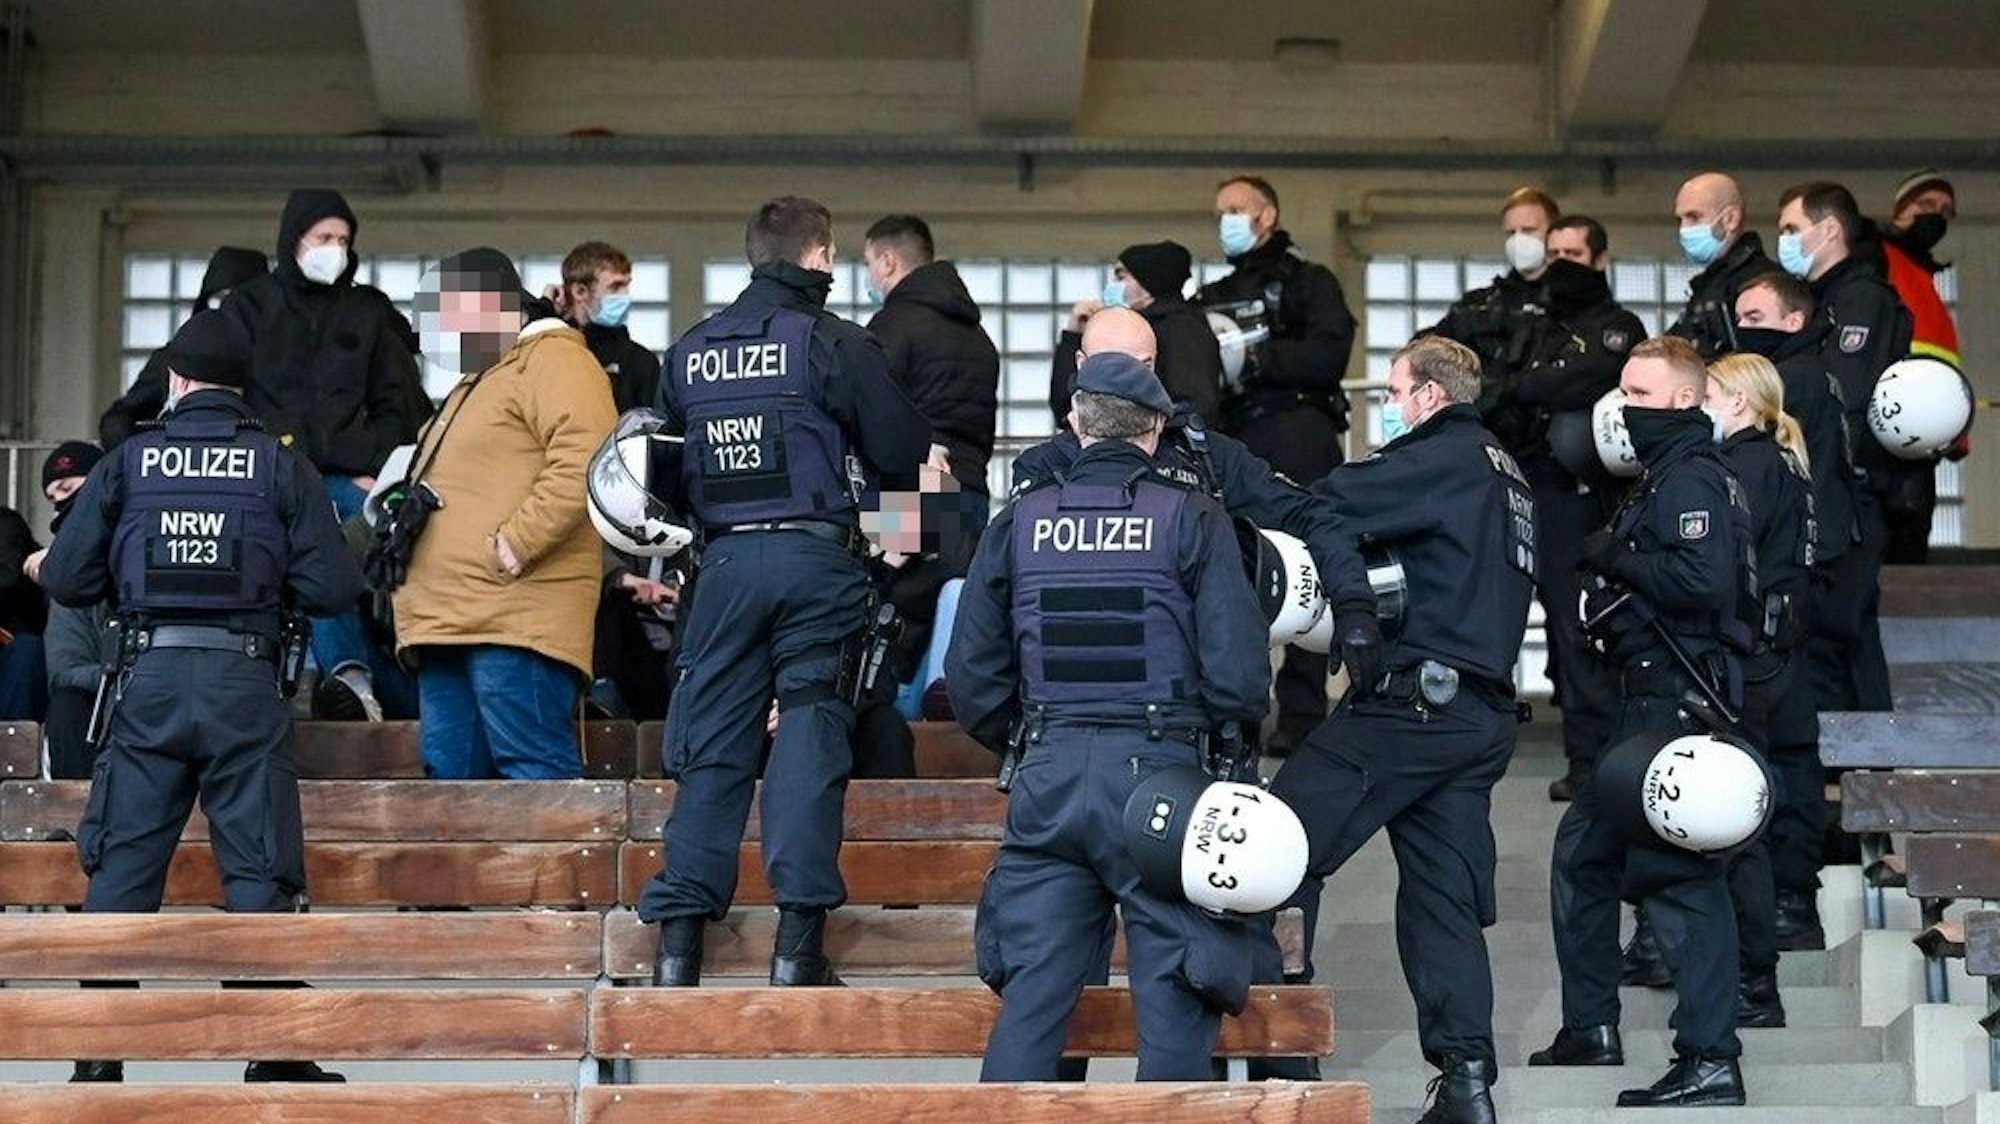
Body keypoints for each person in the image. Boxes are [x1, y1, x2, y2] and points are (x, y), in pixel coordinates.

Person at [35, 309, 361, 1084]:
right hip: (244, 684)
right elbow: (333, 587)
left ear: (177, 381)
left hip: (146, 681)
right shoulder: (280, 465)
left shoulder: (128, 462)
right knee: (259, 871)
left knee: (122, 870)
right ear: (242, 387)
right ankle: (273, 1055)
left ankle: (97, 1059)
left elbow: (69, 577)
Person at [946, 351, 1270, 1081]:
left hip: (1048, 776)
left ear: (1075, 422)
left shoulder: (1019, 520)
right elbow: (1240, 678)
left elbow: (970, 675)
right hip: (1162, 782)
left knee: (1032, 1000)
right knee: (1176, 994)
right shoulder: (1193, 516)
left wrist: (1028, 737)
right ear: (1155, 429)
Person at [637, 197, 929, 989]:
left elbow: (659, 472)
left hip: (724, 568)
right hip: (816, 565)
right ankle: (797, 948)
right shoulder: (834, 342)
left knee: (711, 747)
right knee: (808, 737)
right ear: (820, 256)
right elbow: (904, 448)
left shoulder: (689, 352)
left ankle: (677, 951)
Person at [1266, 336, 1534, 1123]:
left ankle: (1283, 1053)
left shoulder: (1439, 457)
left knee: (1275, 844)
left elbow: (1324, 501)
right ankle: (1465, 1082)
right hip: (1477, 713)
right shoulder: (1509, 474)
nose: (1388, 408)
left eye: (1393, 392)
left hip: (1412, 707)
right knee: (1441, 903)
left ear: (1429, 396)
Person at [1535, 336, 1754, 1108]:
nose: (1625, 408)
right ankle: (1591, 1026)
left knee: (1678, 876)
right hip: (1643, 701)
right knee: (1582, 855)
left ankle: (1711, 1058)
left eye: (1641, 395)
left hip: (1676, 703)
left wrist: (1614, 559)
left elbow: (1702, 580)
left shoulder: (1691, 475)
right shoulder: (1662, 475)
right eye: (1623, 392)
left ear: (1685, 401)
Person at [1013, 307, 1381, 696]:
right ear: (1081, 364)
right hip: (1066, 699)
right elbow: (1001, 604)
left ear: (1155, 365)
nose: (1126, 381)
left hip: (1190, 702)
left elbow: (1308, 514)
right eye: (1112, 364)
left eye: (1141, 366)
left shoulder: (1203, 455)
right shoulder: (1043, 469)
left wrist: (1354, 605)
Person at [391, 248, 617, 780]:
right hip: (448, 620)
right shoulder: (482, 378)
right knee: (453, 789)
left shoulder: (555, 359)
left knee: (534, 774)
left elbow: (586, 456)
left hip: (514, 615)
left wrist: (518, 541)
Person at [220, 189, 428, 723]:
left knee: (377, 547)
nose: (334, 248)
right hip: (265, 480)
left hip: (350, 480)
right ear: (294, 239)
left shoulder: (368, 312)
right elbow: (225, 395)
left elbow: (398, 401)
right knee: (317, 547)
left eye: (343, 238)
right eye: (323, 237)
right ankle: (350, 680)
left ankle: (356, 682)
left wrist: (380, 474)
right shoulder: (249, 308)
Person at [1198, 175, 1359, 754]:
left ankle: (1302, 712)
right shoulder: (1210, 295)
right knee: (1230, 568)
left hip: (1298, 428)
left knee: (1307, 562)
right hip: (1231, 434)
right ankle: (1239, 706)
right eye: (1220, 210)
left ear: (1266, 215)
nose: (1226, 220)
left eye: (1236, 208)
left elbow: (1330, 353)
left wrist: (1258, 356)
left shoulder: (1309, 282)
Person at [1491, 215, 1646, 802]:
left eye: (1573, 255)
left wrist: (1518, 388)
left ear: (1600, 261)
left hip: (1583, 502)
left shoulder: (1618, 328)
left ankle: (1596, 762)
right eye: (1553, 254)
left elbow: (1574, 381)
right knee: (1518, 624)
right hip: (1525, 490)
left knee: (1582, 630)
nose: (1560, 265)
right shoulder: (1536, 329)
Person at [1730, 272, 1856, 952]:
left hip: (1767, 641)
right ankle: (1789, 904)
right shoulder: (1789, 457)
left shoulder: (1758, 463)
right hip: (1789, 632)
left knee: (1773, 767)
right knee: (1793, 763)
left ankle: (1779, 907)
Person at [859, 213, 1001, 774]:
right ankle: (943, 756)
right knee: (946, 616)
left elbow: (872, 414)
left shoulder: (895, 325)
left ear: (888, 260)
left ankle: (893, 764)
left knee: (889, 618)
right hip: (968, 492)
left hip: (914, 488)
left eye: (869, 264)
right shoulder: (977, 336)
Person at [1705, 351, 1818, 1028]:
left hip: (1751, 658)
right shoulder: (1788, 464)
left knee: (1738, 818)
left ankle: (1752, 979)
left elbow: (1721, 563)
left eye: (1708, 396)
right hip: (1783, 655)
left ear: (1738, 403)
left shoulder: (1746, 467)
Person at [1779, 181, 1912, 713]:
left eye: (1792, 228)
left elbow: (1846, 395)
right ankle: (1861, 751)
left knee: (1838, 628)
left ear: (1829, 229)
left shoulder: (1862, 299)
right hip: (1825, 489)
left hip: (1852, 492)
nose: (1784, 239)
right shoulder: (1820, 301)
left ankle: (1860, 752)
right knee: (1837, 633)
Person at [99, 246, 270, 450]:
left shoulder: (282, 361)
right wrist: (140, 458)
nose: (230, 307)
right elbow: (119, 420)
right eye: (221, 297)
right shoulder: (178, 356)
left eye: (241, 300)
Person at [1875, 170, 1963, 563]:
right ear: (1901, 209)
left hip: (1924, 438)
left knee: (1910, 550)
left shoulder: (1922, 275)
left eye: (1945, 211)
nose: (1936, 216)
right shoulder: (1876, 255)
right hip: (1887, 434)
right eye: (1926, 205)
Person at [1050, 240, 1222, 425]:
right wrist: (1074, 336)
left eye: (1121, 277)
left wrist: (1142, 430)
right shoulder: (1129, 330)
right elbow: (1067, 407)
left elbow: (1195, 408)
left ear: (1148, 281)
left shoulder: (1182, 329)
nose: (1113, 285)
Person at [33, 441, 107, 777]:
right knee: (68, 706)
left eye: (67, 488)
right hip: (109, 698)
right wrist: (122, 676)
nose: (60, 504)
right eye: (52, 498)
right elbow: (65, 670)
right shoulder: (70, 582)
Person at [1667, 173, 1777, 360]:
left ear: (1730, 219)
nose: (1684, 229)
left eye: (1694, 217)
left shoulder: (1762, 284)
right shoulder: (1709, 283)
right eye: (1680, 220)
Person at [550, 240, 662, 414]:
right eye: (615, 287)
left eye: (626, 285)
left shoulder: (642, 362)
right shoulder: (551, 353)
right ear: (579, 292)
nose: (625, 296)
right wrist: (544, 310)